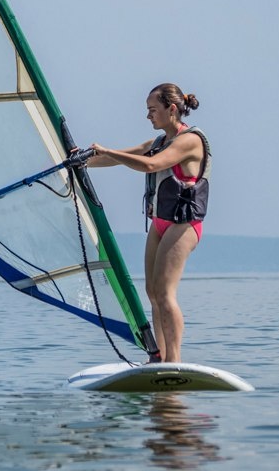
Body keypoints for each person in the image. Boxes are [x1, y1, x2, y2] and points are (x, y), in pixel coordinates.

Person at [83, 83, 210, 364]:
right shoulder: (157, 143)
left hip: (183, 225)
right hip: (160, 223)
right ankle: (159, 358)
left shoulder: (190, 140)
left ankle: (173, 362)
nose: (148, 116)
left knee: (165, 293)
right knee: (152, 292)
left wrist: (106, 150)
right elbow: (115, 157)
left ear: (172, 109)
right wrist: (80, 161)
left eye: (153, 110)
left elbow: (150, 165)